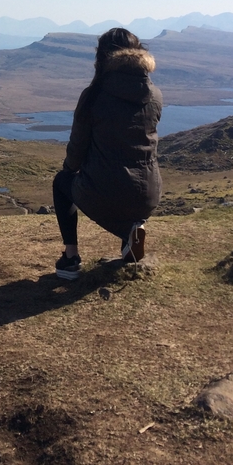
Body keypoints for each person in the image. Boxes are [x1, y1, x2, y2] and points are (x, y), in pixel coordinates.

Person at [52, 28, 162, 279]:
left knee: (62, 183)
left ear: (102, 58)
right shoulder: (154, 95)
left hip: (109, 188)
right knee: (126, 198)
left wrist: (70, 169)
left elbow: (77, 148)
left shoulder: (94, 96)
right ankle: (132, 232)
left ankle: (70, 259)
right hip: (149, 193)